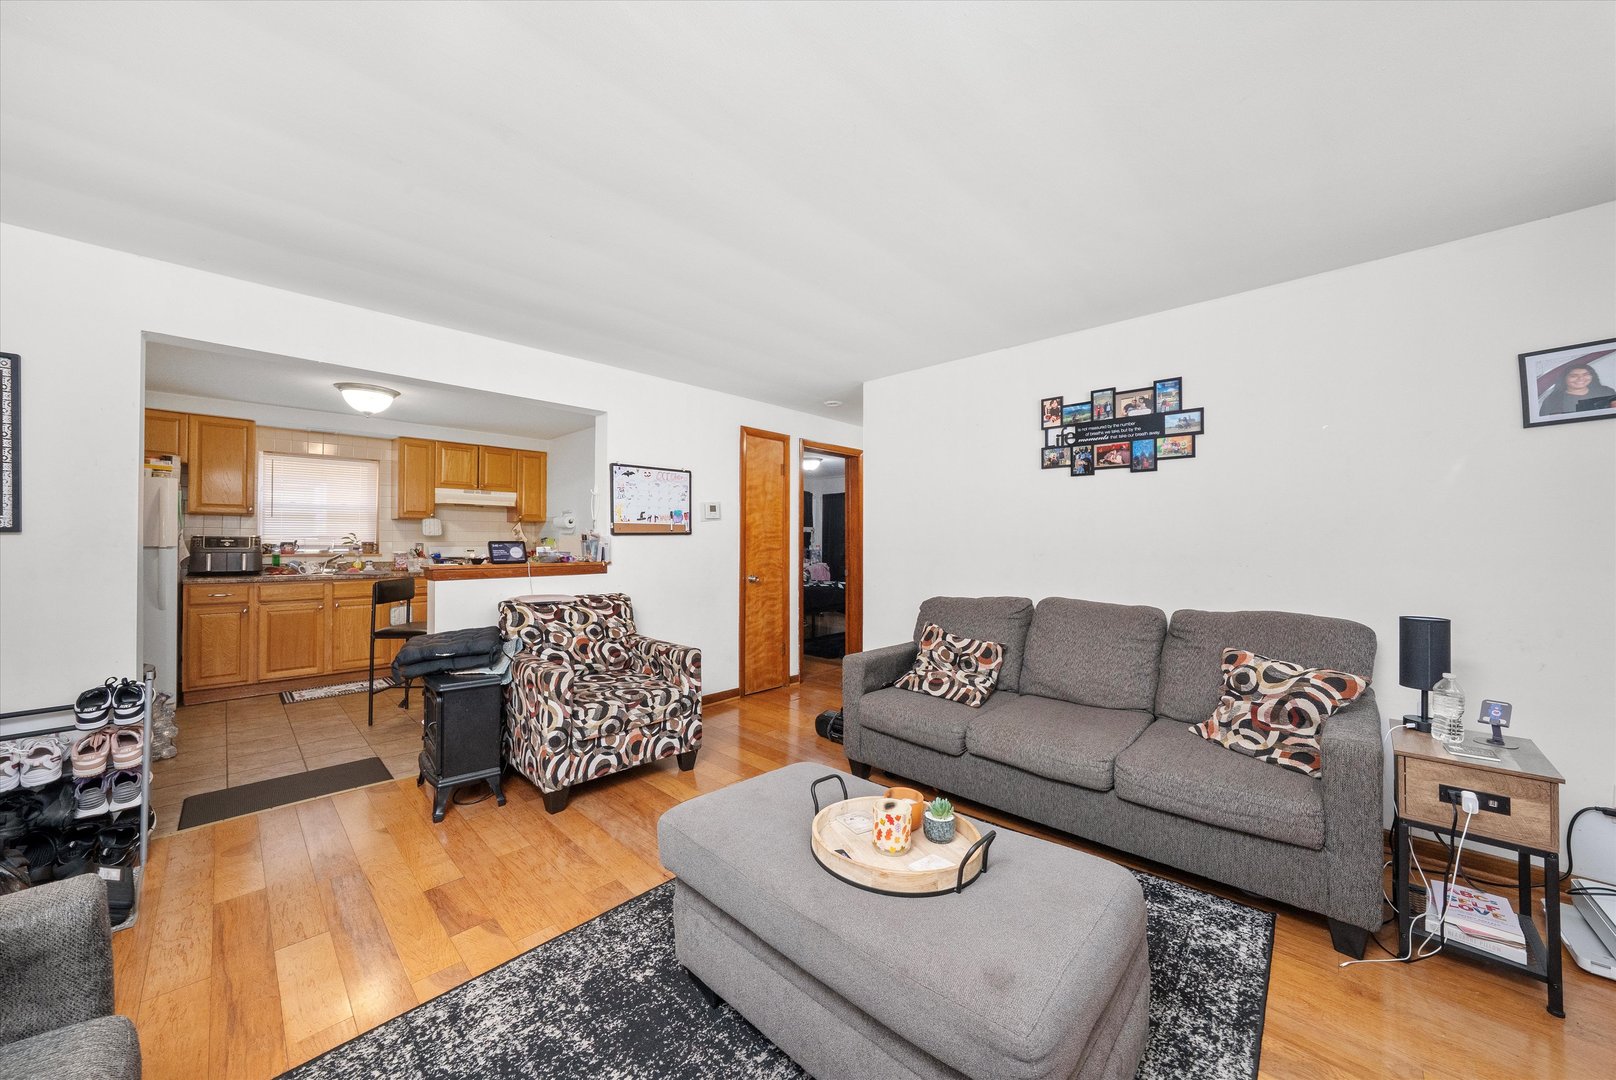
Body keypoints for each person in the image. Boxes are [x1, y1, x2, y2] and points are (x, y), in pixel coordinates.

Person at [1540, 363, 1616, 415]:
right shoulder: (1552, 400)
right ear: (1564, 379)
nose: (1580, 379)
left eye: (1585, 374)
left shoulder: (1606, 392)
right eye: (1574, 376)